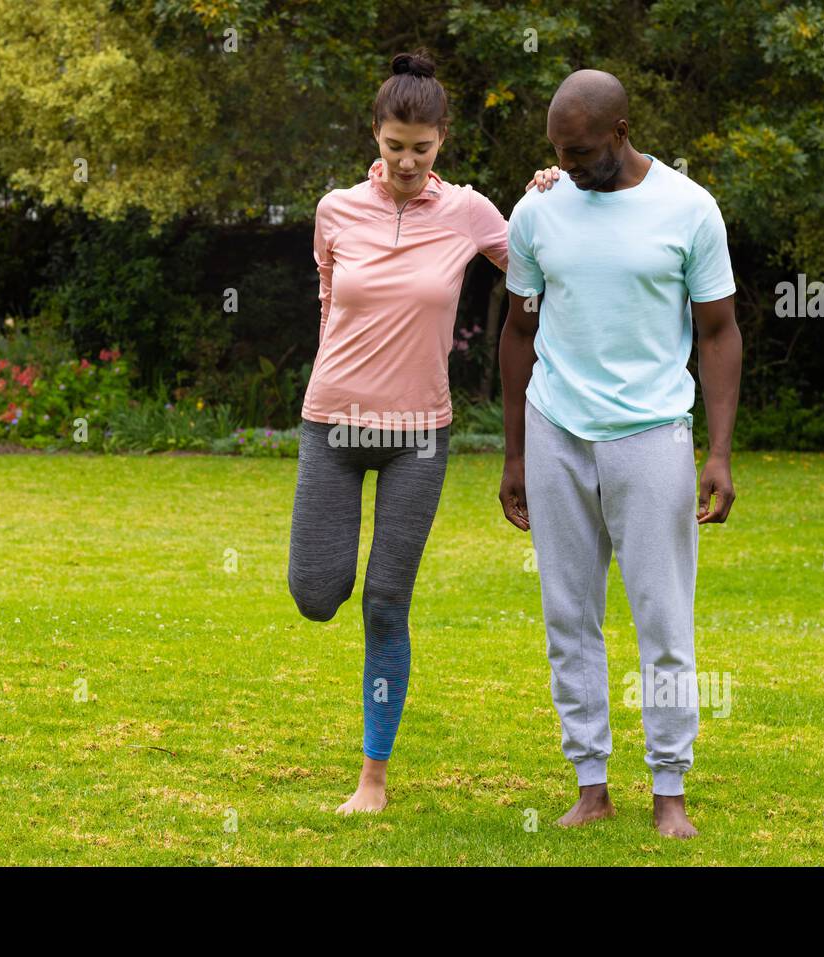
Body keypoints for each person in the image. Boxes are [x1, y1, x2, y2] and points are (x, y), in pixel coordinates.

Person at [287, 50, 555, 815]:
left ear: (442, 141)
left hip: (418, 436)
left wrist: (546, 199)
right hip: (332, 423)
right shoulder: (335, 209)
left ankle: (373, 776)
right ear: (375, 133)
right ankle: (326, 595)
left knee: (384, 602)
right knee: (316, 593)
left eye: (422, 148)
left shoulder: (469, 212)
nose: (406, 161)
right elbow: (328, 300)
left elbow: (534, 267)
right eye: (394, 144)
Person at [498, 69, 742, 838]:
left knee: (662, 619)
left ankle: (670, 788)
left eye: (580, 152)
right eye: (558, 154)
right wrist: (512, 455)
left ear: (621, 133)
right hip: (556, 430)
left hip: (652, 436)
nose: (567, 166)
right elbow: (517, 331)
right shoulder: (537, 210)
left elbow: (719, 331)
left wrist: (720, 450)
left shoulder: (689, 209)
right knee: (567, 614)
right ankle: (590, 782)